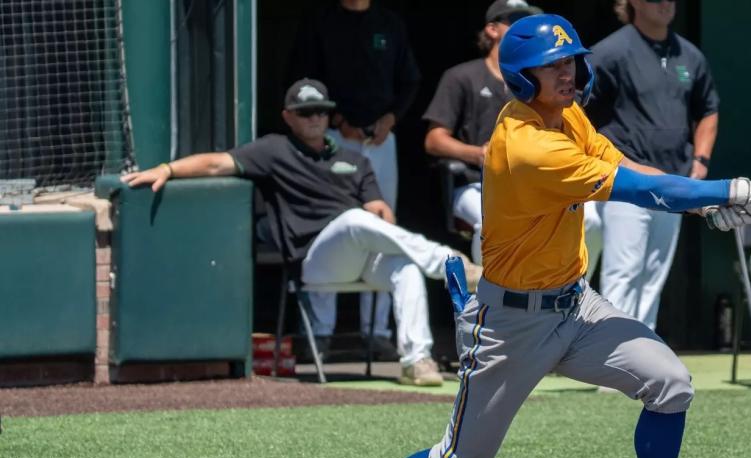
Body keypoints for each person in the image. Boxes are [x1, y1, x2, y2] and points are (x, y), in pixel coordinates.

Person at [323, 14, 751, 458]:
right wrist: (729, 189)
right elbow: (639, 190)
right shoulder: (527, 147)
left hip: (575, 305)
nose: (567, 73)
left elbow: (622, 165)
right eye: (552, 66)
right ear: (522, 79)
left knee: (669, 383)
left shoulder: (567, 115)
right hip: (510, 324)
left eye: (570, 60)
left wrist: (703, 202)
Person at [121, 79, 478, 387]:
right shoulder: (274, 149)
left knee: (405, 268)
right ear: (288, 116)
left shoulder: (355, 160)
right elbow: (216, 163)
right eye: (306, 112)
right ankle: (453, 265)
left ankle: (417, 361)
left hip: (360, 254)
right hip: (314, 260)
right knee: (354, 220)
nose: (315, 118)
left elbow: (379, 211)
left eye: (321, 111)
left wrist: (382, 216)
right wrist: (167, 168)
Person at [424, 0, 603, 273]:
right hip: (477, 182)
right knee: (490, 222)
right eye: (515, 20)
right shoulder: (461, 76)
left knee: (591, 220)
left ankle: (574, 290)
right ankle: (487, 297)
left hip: (542, 178)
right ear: (492, 29)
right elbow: (434, 139)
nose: (524, 27)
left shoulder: (545, 76)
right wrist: (477, 153)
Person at [288, 0, 422, 355]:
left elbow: (410, 80)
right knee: (327, 221)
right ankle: (321, 331)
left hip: (379, 138)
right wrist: (336, 121)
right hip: (333, 136)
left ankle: (375, 332)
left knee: (382, 225)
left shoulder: (390, 22)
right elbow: (303, 80)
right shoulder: (321, 20)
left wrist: (391, 119)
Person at [586, 0, 720, 331]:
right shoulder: (610, 51)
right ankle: (611, 358)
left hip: (672, 181)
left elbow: (708, 109)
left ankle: (639, 357)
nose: (666, 3)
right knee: (624, 270)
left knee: (652, 275)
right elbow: (574, 112)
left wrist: (701, 160)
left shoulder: (689, 54)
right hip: (625, 180)